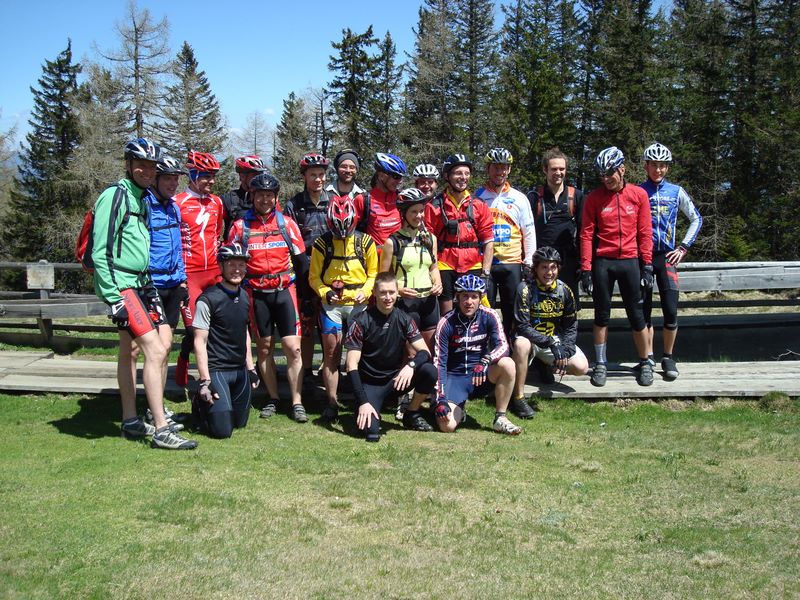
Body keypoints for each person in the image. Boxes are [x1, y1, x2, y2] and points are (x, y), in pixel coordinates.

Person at [91, 138, 197, 449]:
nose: (147, 171)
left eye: (151, 166)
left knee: (143, 349)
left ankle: (131, 419)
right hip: (124, 285)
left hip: (143, 283)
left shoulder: (140, 199)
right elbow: (101, 252)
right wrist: (114, 298)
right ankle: (161, 428)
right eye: (141, 165)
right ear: (128, 164)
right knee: (155, 350)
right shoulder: (115, 196)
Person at [227, 173, 310, 423]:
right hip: (256, 294)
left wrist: (306, 297)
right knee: (264, 348)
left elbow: (301, 262)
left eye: (269, 195)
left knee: (294, 348)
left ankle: (297, 401)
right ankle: (273, 397)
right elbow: (230, 263)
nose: (265, 200)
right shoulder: (240, 227)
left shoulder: (287, 224)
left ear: (276, 197)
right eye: (260, 195)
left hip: (285, 291)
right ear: (252, 196)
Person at [579, 147, 654, 387]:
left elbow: (645, 232)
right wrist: (586, 269)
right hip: (604, 261)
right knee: (601, 315)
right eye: (601, 175)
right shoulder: (594, 198)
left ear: (622, 169)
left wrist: (647, 265)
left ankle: (645, 362)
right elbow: (586, 235)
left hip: (630, 260)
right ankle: (600, 363)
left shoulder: (638, 195)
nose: (606, 179)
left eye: (609, 173)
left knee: (637, 315)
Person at [344, 272, 438, 441]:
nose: (388, 297)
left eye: (392, 292)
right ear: (374, 293)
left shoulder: (404, 319)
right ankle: (363, 408)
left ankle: (411, 413)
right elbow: (351, 365)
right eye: (383, 292)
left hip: (395, 381)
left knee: (429, 371)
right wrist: (363, 401)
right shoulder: (360, 321)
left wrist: (411, 366)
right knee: (372, 433)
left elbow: (425, 352)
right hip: (370, 384)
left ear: (397, 293)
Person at [309, 196, 378, 421]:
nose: (342, 234)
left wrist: (366, 291)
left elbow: (373, 274)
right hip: (332, 306)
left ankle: (364, 400)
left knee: (363, 354)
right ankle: (331, 402)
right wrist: (325, 292)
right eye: (337, 229)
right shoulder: (322, 243)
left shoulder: (365, 242)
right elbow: (313, 277)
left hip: (359, 304)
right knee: (332, 354)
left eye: (346, 229)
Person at [639, 142, 703, 380]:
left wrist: (683, 247)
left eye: (663, 165)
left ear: (667, 167)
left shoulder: (676, 191)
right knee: (643, 311)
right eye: (654, 165)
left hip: (667, 256)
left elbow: (696, 219)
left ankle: (668, 357)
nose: (658, 170)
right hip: (643, 258)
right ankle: (647, 357)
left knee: (670, 309)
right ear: (646, 166)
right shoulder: (638, 191)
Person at [433, 274, 522, 436]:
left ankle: (500, 418)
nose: (469, 302)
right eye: (465, 296)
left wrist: (486, 360)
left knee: (508, 364)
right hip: (455, 377)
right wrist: (441, 398)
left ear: (481, 298)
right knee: (447, 427)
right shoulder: (446, 322)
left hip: (480, 374)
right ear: (457, 297)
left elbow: (503, 346)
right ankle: (452, 407)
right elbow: (440, 363)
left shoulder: (490, 315)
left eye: (474, 296)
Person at [192, 243, 260, 438]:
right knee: (223, 431)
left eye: (241, 265)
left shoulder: (245, 296)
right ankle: (199, 402)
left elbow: (245, 333)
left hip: (239, 370)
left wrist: (251, 369)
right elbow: (199, 342)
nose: (237, 270)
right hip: (217, 370)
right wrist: (205, 380)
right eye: (231, 265)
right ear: (221, 267)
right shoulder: (207, 299)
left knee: (240, 424)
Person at [511, 246, 589, 414]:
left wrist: (565, 351)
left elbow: (571, 325)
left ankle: (545, 364)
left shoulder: (565, 290)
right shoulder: (525, 289)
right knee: (521, 345)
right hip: (530, 340)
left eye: (553, 267)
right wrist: (550, 343)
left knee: (581, 367)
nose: (549, 272)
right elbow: (522, 326)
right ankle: (518, 398)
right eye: (544, 267)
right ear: (536, 269)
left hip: (553, 340)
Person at [173, 151, 225, 387]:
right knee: (195, 328)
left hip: (213, 272)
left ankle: (216, 374)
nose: (211, 181)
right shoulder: (178, 203)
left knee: (218, 324)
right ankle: (184, 360)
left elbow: (217, 234)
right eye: (205, 176)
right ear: (192, 176)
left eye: (213, 176)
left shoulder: (217, 202)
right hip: (189, 274)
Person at [143, 156, 189, 418]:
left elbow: (178, 246)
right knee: (153, 350)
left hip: (173, 285)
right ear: (156, 180)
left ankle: (157, 407)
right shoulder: (145, 206)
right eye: (168, 179)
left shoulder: (174, 207)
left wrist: (182, 279)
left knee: (166, 346)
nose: (173, 184)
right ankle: (153, 408)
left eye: (175, 179)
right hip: (152, 284)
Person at [474, 147, 536, 339]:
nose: (500, 171)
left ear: (509, 169)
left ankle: (511, 347)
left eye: (504, 167)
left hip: (512, 263)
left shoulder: (519, 198)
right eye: (496, 167)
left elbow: (529, 231)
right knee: (485, 309)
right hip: (486, 264)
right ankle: (488, 346)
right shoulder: (477, 196)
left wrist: (529, 261)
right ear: (488, 168)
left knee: (512, 311)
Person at [424, 154, 495, 316]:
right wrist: (433, 271)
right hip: (444, 263)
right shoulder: (434, 206)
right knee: (446, 312)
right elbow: (428, 241)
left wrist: (485, 273)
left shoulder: (478, 204)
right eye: (458, 173)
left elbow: (488, 241)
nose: (463, 177)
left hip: (472, 263)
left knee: (476, 311)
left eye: (466, 173)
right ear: (447, 176)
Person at [284, 152, 332, 384]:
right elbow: (288, 242)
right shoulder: (294, 205)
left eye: (321, 174)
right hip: (304, 271)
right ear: (304, 176)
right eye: (313, 175)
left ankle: (329, 369)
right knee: (307, 324)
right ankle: (306, 372)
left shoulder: (333, 202)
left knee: (329, 323)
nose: (318, 179)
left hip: (331, 270)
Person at [379, 187, 442, 351]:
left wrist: (438, 283)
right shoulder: (392, 242)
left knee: (431, 350)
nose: (419, 216)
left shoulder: (430, 239)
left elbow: (433, 267)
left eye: (421, 211)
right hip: (405, 302)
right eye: (414, 212)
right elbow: (383, 278)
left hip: (429, 301)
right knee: (410, 353)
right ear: (403, 213)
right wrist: (398, 290)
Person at [529, 147, 585, 305]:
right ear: (545, 170)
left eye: (562, 169)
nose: (558, 173)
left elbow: (584, 232)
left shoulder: (576, 196)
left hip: (568, 263)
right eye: (554, 169)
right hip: (541, 263)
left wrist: (582, 263)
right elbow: (526, 232)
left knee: (568, 306)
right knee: (541, 306)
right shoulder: (534, 197)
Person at [354, 152, 407, 249]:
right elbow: (352, 231)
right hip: (374, 256)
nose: (399, 181)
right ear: (381, 176)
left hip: (399, 254)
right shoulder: (363, 200)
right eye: (396, 177)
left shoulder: (401, 198)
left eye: (401, 177)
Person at [221, 154, 266, 239]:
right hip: (234, 245)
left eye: (261, 175)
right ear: (242, 176)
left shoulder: (266, 200)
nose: (259, 179)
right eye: (255, 175)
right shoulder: (227, 199)